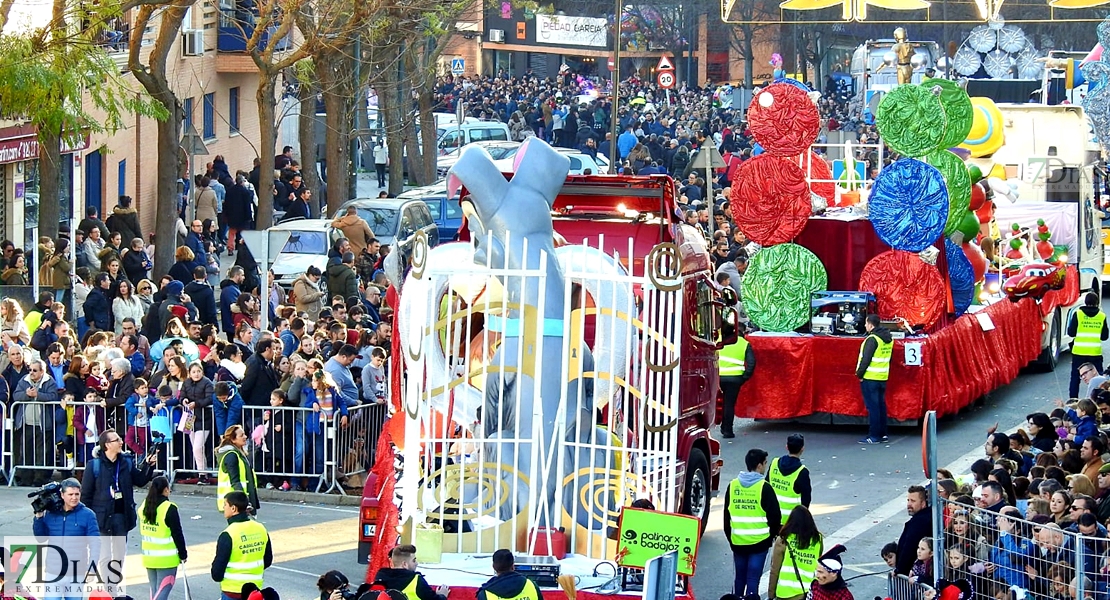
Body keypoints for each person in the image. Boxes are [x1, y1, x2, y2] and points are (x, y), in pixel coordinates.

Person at [31, 478, 101, 600]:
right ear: (62, 495)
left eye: (77, 494)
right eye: (70, 494)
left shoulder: (88, 515)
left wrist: (92, 568)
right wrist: (39, 517)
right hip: (53, 572)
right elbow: (41, 538)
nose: (74, 498)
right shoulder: (51, 513)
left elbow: (95, 544)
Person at [725, 448, 781, 598]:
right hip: (759, 543)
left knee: (739, 578)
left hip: (738, 542)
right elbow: (775, 517)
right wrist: (771, 537)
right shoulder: (765, 487)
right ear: (759, 465)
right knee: (752, 579)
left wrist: (732, 539)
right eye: (765, 463)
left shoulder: (733, 485)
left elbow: (726, 517)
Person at [81, 429, 157, 537]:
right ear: (108, 445)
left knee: (119, 553)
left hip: (122, 516)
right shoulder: (94, 466)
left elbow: (140, 481)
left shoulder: (126, 462)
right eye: (117, 440)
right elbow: (85, 496)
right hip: (101, 518)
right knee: (104, 553)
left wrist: (149, 466)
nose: (121, 442)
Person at [211, 491, 272, 600]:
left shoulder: (228, 534)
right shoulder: (261, 528)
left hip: (232, 591)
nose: (223, 508)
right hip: (254, 591)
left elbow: (217, 573)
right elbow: (267, 560)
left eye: (225, 505)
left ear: (233, 508)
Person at [138, 476, 188, 600]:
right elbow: (177, 533)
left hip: (149, 558)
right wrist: (183, 553)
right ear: (166, 490)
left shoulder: (144, 506)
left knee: (155, 590)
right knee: (162, 591)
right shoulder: (169, 508)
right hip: (166, 559)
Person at [768, 506, 823, 600]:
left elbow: (775, 570)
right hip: (808, 592)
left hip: (785, 593)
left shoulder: (783, 540)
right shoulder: (818, 540)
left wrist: (771, 594)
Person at [856, 314, 892, 444]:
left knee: (873, 408)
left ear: (871, 325)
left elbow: (865, 360)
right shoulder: (888, 338)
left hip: (870, 377)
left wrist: (859, 375)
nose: (865, 326)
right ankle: (883, 434)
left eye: (866, 323)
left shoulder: (872, 339)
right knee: (881, 406)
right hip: (882, 377)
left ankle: (874, 436)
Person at [718, 322, 755, 439]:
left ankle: (717, 426)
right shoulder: (744, 344)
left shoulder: (719, 341)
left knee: (718, 403)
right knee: (729, 404)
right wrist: (745, 377)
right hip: (735, 378)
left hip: (717, 377)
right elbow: (751, 363)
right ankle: (727, 430)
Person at [373, 544, 451, 600]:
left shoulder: (379, 578)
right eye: (414, 560)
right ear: (404, 564)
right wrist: (442, 595)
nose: (416, 563)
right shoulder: (416, 581)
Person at [1067, 292, 1107, 399]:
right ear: (1097, 303)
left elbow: (1071, 332)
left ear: (1085, 302)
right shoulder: (1101, 316)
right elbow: (1104, 336)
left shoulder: (1078, 314)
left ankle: (1073, 401)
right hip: (1095, 352)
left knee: (1076, 378)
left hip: (1079, 352)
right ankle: (1099, 399)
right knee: (1099, 378)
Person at [766, 434, 812, 524]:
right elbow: (806, 499)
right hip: (792, 521)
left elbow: (766, 486)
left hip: (773, 517)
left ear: (786, 447)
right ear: (802, 449)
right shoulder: (802, 471)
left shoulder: (774, 463)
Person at [216, 425, 260, 513]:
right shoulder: (231, 455)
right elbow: (235, 481)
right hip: (236, 504)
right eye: (241, 435)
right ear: (233, 439)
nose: (245, 437)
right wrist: (244, 502)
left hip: (237, 503)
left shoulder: (238, 454)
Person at [895, 485, 932, 576]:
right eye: (908, 500)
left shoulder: (920, 522)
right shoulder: (923, 517)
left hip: (912, 574)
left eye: (913, 501)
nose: (909, 504)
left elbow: (909, 547)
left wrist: (900, 570)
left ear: (923, 503)